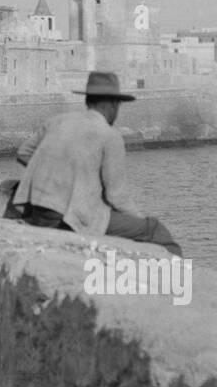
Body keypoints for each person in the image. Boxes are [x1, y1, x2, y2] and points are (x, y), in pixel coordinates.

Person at [13, 71, 181, 257]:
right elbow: (117, 197)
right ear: (113, 104)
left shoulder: (57, 121)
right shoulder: (109, 135)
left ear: (88, 100)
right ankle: (179, 280)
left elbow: (23, 153)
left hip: (39, 212)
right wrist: (140, 220)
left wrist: (58, 178)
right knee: (154, 230)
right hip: (71, 219)